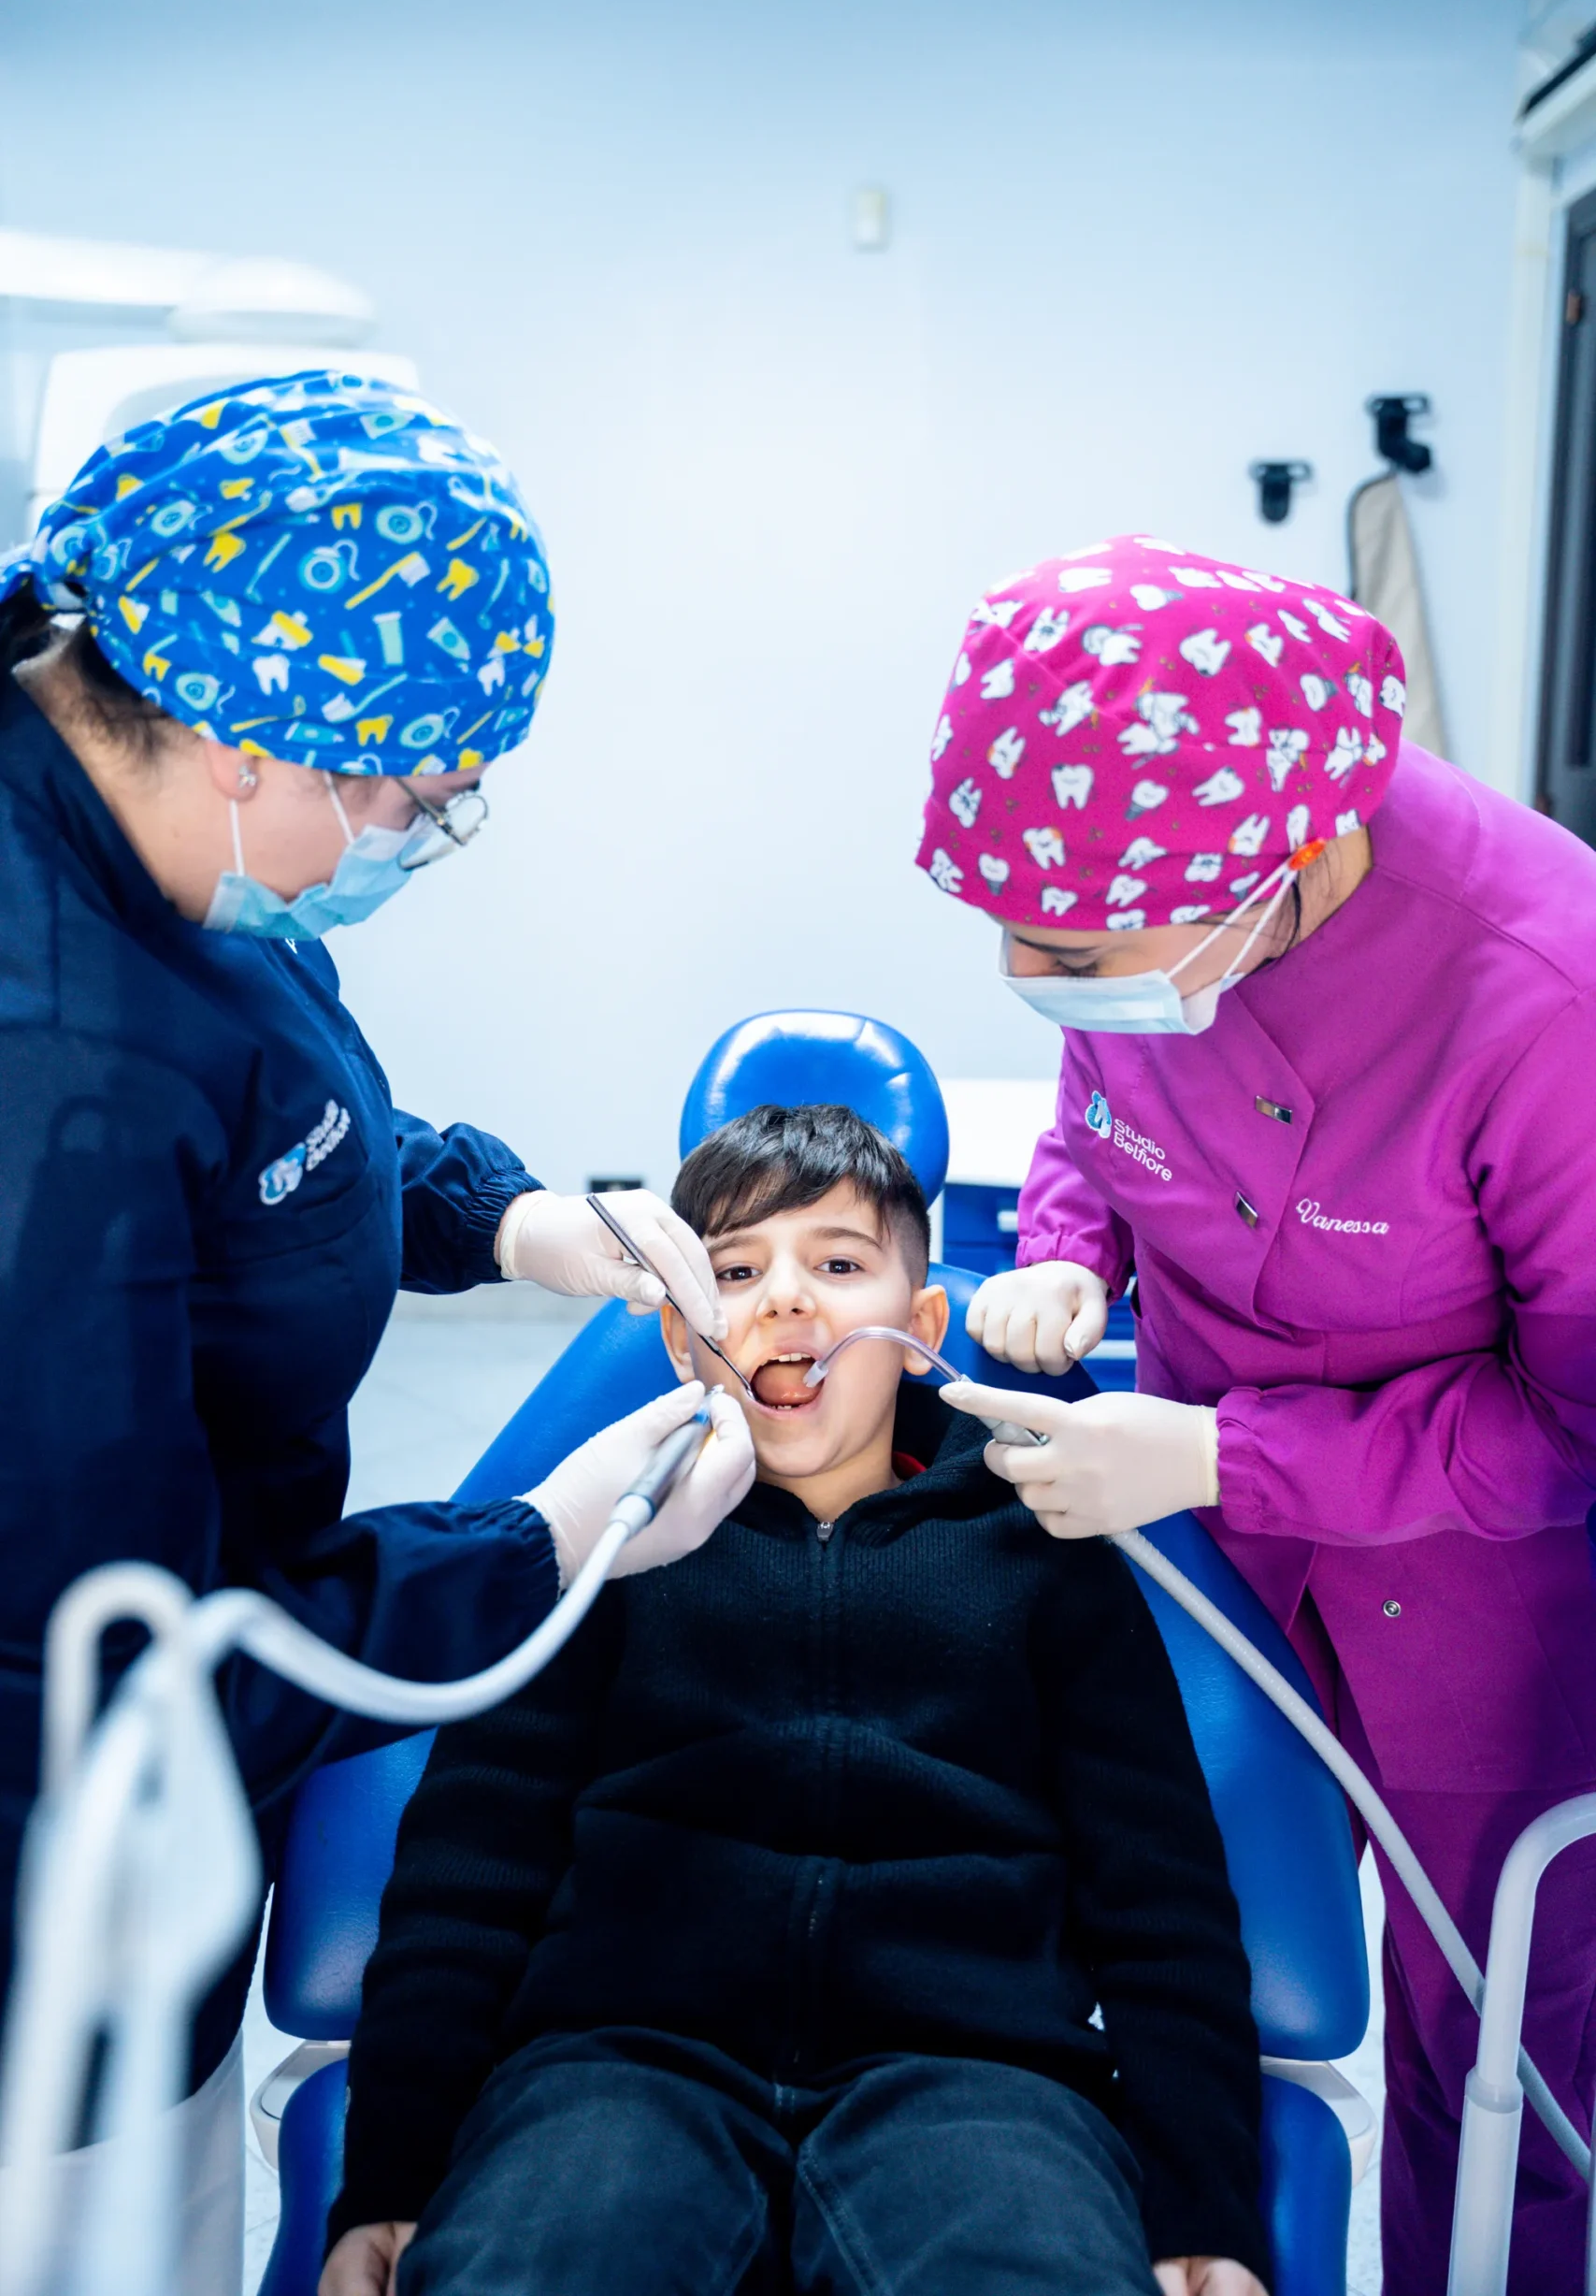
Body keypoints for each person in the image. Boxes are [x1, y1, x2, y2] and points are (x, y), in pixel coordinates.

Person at [0, 371, 754, 2289]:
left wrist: (505, 1217)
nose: (426, 830)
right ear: (258, 740)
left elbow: (277, 1116)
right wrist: (542, 1550)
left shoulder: (163, 833)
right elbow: (111, 1680)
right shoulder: (44, 1072)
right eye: (417, 796)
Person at [915, 533, 1596, 2293]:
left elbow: (1567, 1427)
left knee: (1492, 2024)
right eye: (1006, 930)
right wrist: (1072, 1255)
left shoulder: (1545, 1004)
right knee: (1167, 1922)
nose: (1033, 967)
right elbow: (1097, 1086)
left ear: (1288, 862)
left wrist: (1231, 1453)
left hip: (1470, 1576)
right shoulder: (1152, 895)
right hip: (1193, 1522)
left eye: (1071, 941)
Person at [321, 1104, 1271, 2296]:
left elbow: (1160, 1900)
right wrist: (394, 2176)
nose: (784, 1299)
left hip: (978, 2081)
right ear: (682, 1335)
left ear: (922, 1328)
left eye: (835, 1263)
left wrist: (1204, 2208)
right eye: (733, 1269)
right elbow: (469, 1867)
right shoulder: (601, 1542)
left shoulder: (1043, 1551)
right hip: (615, 2064)